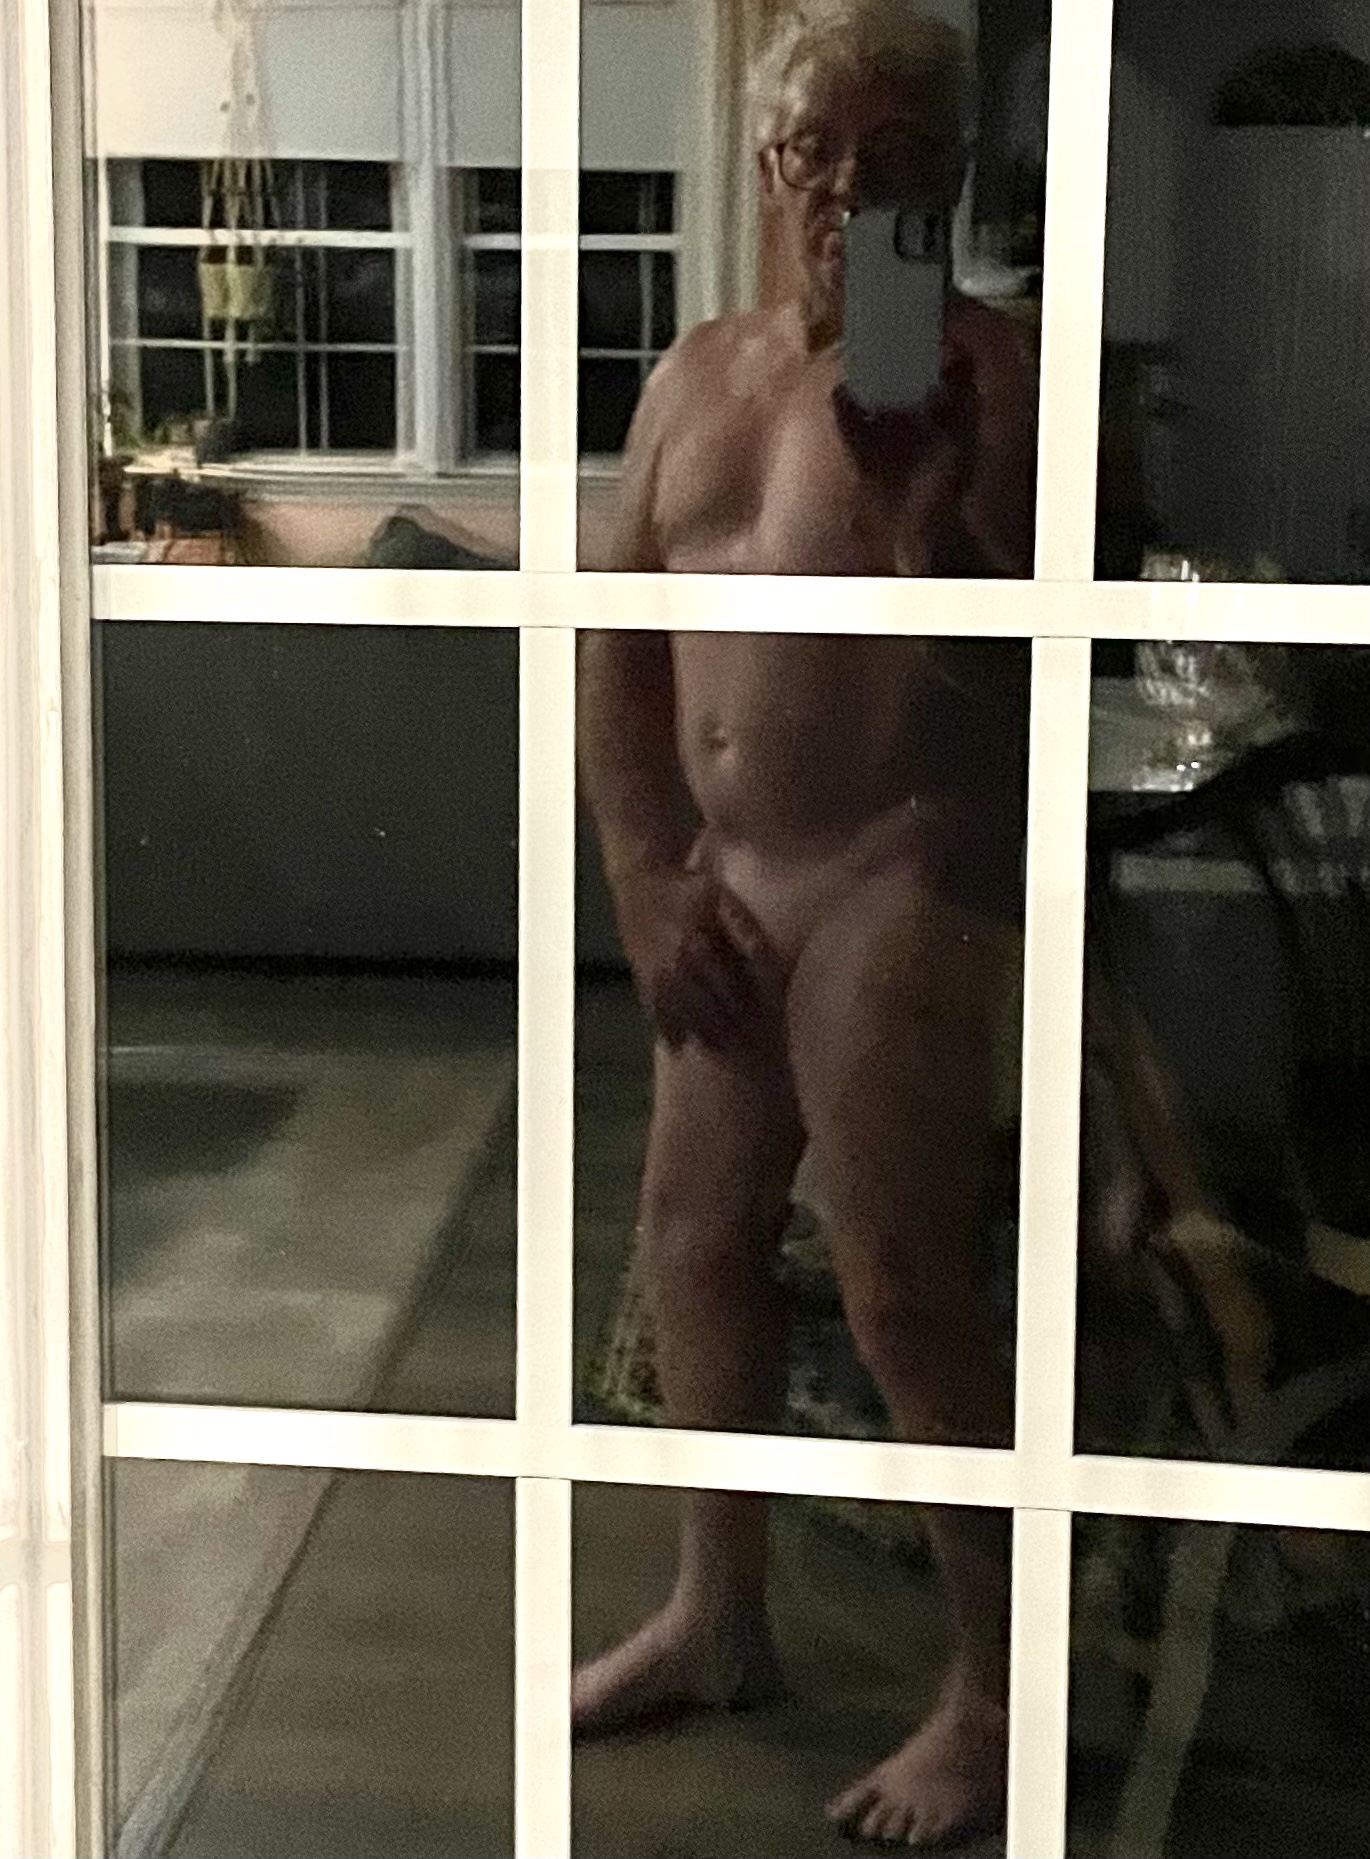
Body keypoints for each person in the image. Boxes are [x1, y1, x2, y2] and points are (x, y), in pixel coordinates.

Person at [575, 0, 1038, 1846]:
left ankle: (994, 1696)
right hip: (728, 874)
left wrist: (938, 537)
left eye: (899, 154)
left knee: (901, 1287)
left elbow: (1048, 679)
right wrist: (640, 870)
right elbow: (612, 642)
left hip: (899, 869)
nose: (854, 187)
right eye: (819, 149)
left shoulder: (1003, 377)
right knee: (692, 1246)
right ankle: (719, 1615)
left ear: (953, 174)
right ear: (769, 167)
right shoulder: (696, 373)